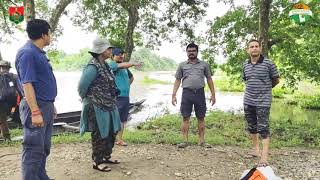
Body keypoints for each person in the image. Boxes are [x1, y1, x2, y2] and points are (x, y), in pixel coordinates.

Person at [15, 19, 57, 180]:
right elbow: (27, 84)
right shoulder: (28, 53)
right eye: (50, 33)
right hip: (36, 106)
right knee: (33, 147)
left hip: (45, 104)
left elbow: (42, 82)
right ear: (43, 34)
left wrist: (51, 104)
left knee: (44, 146)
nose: (51, 36)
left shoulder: (38, 53)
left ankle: (41, 175)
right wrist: (35, 111)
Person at [78, 38, 122, 172]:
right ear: (101, 51)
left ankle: (106, 156)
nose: (111, 51)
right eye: (108, 49)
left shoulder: (106, 65)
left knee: (111, 131)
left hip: (110, 104)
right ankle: (97, 161)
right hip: (96, 105)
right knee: (99, 133)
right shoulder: (92, 67)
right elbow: (81, 87)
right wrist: (88, 99)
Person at [242, 39, 280, 167]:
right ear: (248, 50)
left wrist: (265, 90)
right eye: (251, 46)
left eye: (256, 46)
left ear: (260, 48)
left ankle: (264, 158)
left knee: (263, 129)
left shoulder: (269, 63)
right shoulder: (245, 64)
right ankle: (256, 151)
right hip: (248, 101)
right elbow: (247, 80)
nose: (254, 48)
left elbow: (276, 80)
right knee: (252, 127)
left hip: (263, 102)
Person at [172, 42, 216, 148]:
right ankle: (185, 141)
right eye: (189, 51)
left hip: (200, 93)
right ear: (186, 52)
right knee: (185, 117)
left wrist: (213, 94)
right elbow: (178, 80)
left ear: (197, 52)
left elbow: (209, 79)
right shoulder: (182, 65)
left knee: (201, 117)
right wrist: (173, 95)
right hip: (186, 93)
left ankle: (201, 141)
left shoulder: (204, 64)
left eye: (193, 51)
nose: (191, 53)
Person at [109, 47, 141, 146]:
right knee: (115, 118)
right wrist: (134, 63)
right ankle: (110, 139)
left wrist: (126, 85)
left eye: (122, 54)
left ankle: (120, 139)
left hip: (125, 97)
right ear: (113, 56)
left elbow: (131, 78)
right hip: (116, 97)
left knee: (123, 119)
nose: (121, 56)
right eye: (119, 54)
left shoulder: (125, 68)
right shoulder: (112, 65)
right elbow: (122, 65)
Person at [0, 60, 18, 141]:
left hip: (1, 100)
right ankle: (7, 138)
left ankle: (6, 137)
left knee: (2, 119)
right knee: (3, 119)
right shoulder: (14, 76)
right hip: (10, 103)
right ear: (9, 68)